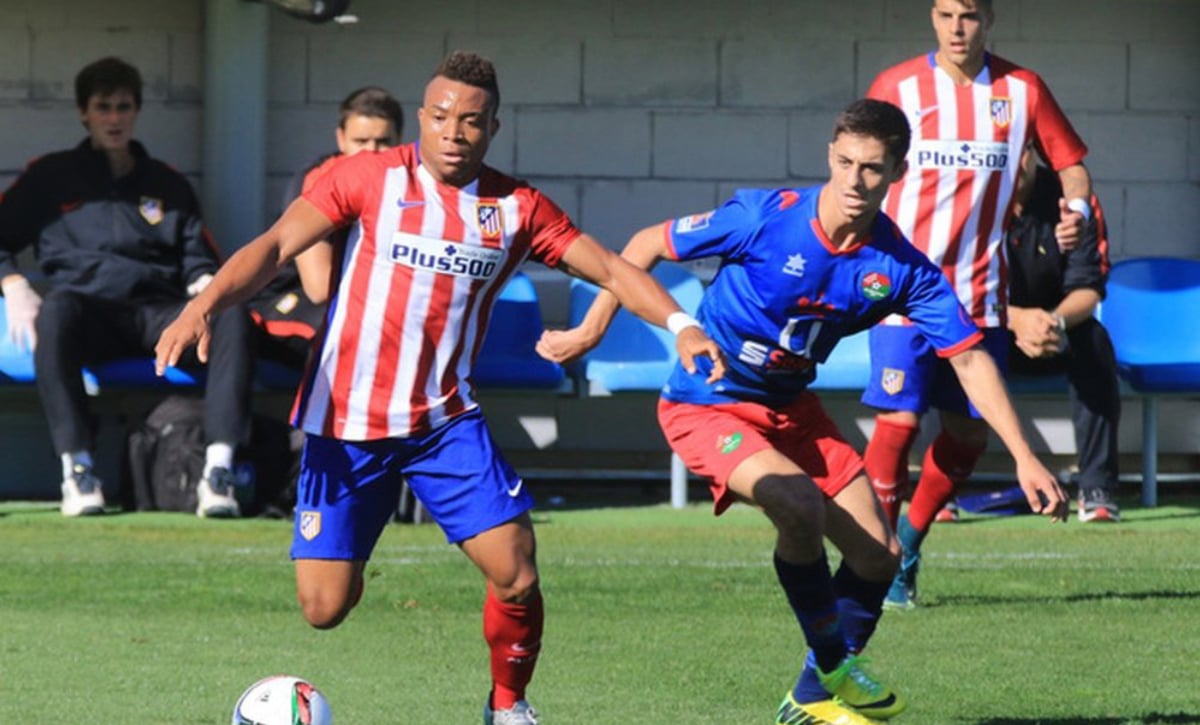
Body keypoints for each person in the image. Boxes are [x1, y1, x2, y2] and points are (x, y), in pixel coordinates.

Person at [153, 51, 725, 725]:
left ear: (493, 129)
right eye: (444, 117)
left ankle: (508, 705)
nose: (456, 132)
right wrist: (205, 304)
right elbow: (277, 245)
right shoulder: (367, 177)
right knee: (323, 607)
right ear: (422, 119)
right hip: (346, 422)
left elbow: (608, 267)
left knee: (516, 568)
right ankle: (352, 542)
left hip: (443, 425)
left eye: (473, 121)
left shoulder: (516, 208)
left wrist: (683, 324)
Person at [537, 98, 1068, 725]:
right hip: (707, 403)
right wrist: (594, 327)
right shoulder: (765, 217)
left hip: (792, 409)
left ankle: (809, 698)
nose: (854, 180)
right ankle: (835, 666)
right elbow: (646, 244)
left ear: (897, 172)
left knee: (879, 557)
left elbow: (971, 360)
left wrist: (1026, 456)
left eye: (872, 168)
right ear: (829, 156)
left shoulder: (900, 268)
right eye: (844, 162)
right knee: (798, 504)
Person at [861, 0, 1093, 609]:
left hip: (979, 293)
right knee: (899, 422)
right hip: (902, 288)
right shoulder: (897, 86)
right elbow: (859, 164)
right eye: (944, 15)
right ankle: (876, 555)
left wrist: (1077, 210)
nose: (955, 28)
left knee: (967, 436)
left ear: (989, 18)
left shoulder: (1022, 88)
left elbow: (1071, 167)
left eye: (967, 15)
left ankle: (908, 545)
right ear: (931, 19)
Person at [0, 56, 253, 519]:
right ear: (84, 113)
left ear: (136, 111)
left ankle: (218, 470)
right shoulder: (49, 176)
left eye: (122, 107)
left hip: (159, 314)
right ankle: (77, 470)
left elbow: (199, 258)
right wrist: (13, 283)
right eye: (103, 108)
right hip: (88, 313)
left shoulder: (166, 183)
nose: (113, 118)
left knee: (231, 313)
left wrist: (203, 290)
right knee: (54, 310)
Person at [251, 86, 405, 370]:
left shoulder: (411, 184)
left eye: (383, 141)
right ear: (341, 139)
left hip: (361, 298)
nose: (371, 152)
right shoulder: (319, 181)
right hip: (290, 299)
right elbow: (319, 287)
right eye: (361, 141)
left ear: (400, 142)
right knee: (349, 335)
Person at [1006, 148, 1121, 523]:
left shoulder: (1071, 203)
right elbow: (955, 290)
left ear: (1035, 155)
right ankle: (946, 489)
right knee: (949, 344)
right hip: (993, 326)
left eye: (1021, 150)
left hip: (1058, 328)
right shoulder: (971, 199)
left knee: (1096, 342)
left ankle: (1097, 488)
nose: (1013, 161)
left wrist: (1050, 322)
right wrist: (1016, 319)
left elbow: (1089, 288)